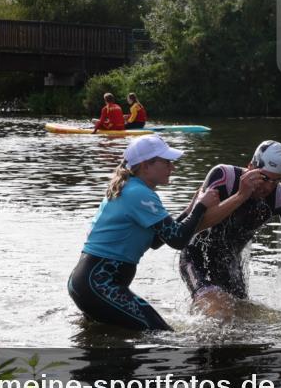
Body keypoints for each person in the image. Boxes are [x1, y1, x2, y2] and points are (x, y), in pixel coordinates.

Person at [67, 134, 258, 331]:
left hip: (89, 284)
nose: (172, 167)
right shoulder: (139, 194)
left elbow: (158, 240)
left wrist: (192, 207)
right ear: (146, 165)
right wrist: (201, 207)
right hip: (98, 285)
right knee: (163, 335)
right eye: (166, 162)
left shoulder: (132, 188)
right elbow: (178, 240)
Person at [179, 140, 281, 321]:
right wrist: (241, 195)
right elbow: (196, 225)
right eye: (264, 178)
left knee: (243, 320)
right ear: (250, 167)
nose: (268, 187)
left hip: (230, 265)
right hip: (196, 257)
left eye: (275, 180)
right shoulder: (224, 176)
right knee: (218, 312)